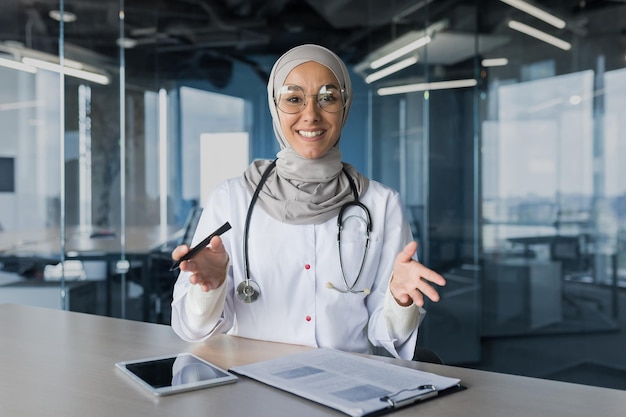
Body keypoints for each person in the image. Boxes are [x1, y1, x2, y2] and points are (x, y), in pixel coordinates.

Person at [170, 44, 446, 360]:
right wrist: (210, 288)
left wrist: (399, 301)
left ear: (345, 105)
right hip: (253, 390)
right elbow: (193, 330)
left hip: (345, 387)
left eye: (328, 97)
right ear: (275, 106)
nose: (311, 115)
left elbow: (386, 338)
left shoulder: (381, 204)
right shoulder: (232, 199)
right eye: (293, 99)